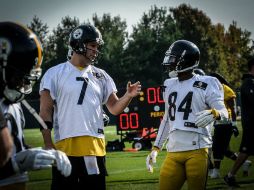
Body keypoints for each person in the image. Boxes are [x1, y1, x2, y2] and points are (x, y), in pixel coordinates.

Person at [39, 24, 141, 190]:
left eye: (97, 46)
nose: (96, 50)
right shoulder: (54, 73)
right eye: (92, 45)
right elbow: (45, 112)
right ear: (79, 43)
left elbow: (114, 108)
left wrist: (128, 96)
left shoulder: (101, 75)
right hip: (65, 149)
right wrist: (48, 144)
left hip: (95, 150)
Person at [146, 40, 228, 190]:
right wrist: (156, 148)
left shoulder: (208, 82)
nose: (169, 63)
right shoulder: (169, 84)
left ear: (186, 61)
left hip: (197, 148)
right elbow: (167, 119)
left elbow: (225, 112)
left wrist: (215, 113)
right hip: (173, 150)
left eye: (173, 59)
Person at [0, 22, 72, 189]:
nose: (23, 82)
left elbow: (16, 150)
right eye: (19, 74)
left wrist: (43, 153)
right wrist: (15, 165)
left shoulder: (13, 103)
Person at [208, 72, 251, 179]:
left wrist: (234, 124)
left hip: (225, 121)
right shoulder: (211, 90)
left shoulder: (225, 89)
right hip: (216, 121)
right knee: (224, 149)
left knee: (216, 147)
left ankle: (216, 171)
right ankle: (244, 163)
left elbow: (232, 108)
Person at [224, 57, 254, 187]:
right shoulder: (248, 83)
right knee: (244, 151)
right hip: (251, 124)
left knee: (245, 151)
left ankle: (231, 175)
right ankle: (230, 175)